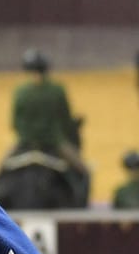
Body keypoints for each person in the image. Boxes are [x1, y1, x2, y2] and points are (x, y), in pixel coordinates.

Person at [10, 48, 88, 196]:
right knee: (84, 172)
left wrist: (26, 135)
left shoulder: (20, 91)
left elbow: (14, 123)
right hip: (54, 141)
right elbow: (65, 120)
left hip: (24, 142)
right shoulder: (57, 90)